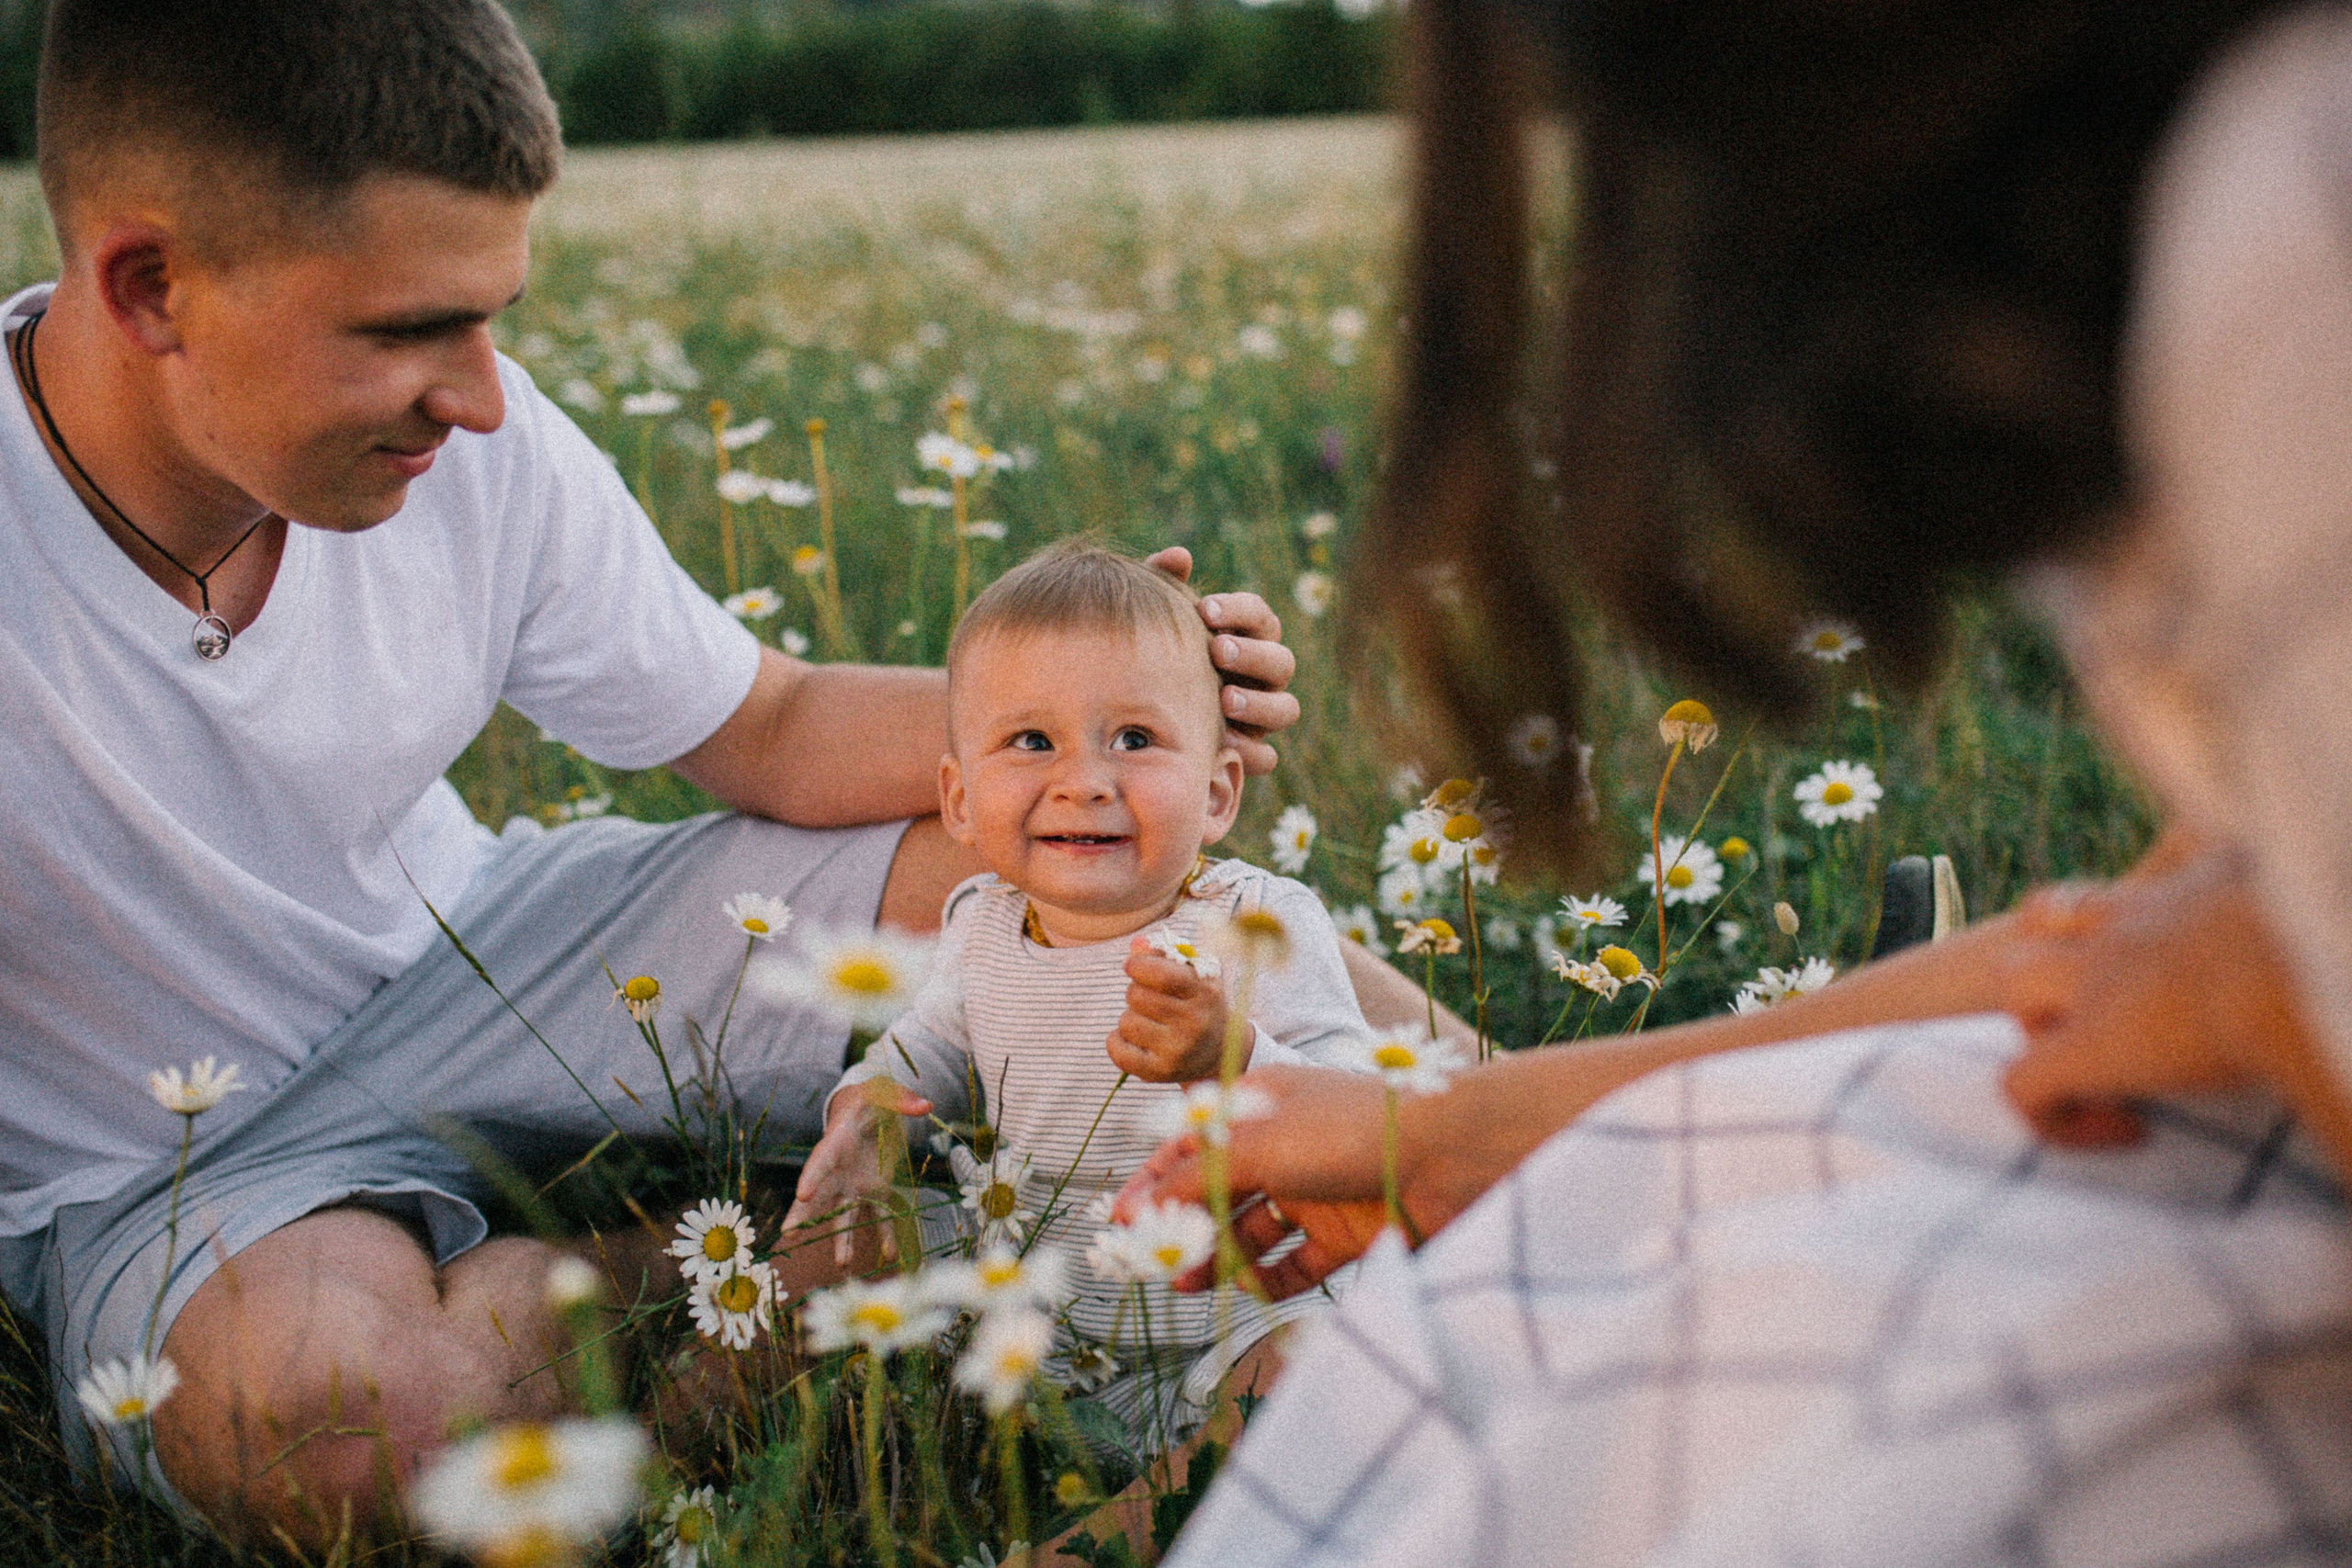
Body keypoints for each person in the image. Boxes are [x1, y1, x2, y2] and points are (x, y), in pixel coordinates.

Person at [0, 0, 1336, 1545]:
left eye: (491, 314)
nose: (482, 396)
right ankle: (762, 1247)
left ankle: (1516, 1155)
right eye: (405, 332)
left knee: (1102, 877)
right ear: (151, 286)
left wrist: (1107, 712)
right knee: (356, 1444)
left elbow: (765, 724)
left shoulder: (476, 450)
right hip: (162, 1157)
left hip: (490, 938)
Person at [1121, 0, 2352, 1562]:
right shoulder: (2167, 215)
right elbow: (2161, 931)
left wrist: (2248, 990)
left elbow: (2228, 952)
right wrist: (1447, 1129)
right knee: (1642, 1215)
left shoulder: (2299, 222)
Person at [783, 543, 1371, 1508]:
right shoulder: (979, 921)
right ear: (959, 799)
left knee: (1316, 1368)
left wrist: (1231, 1058)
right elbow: (926, 1049)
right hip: (1026, 1298)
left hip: (1222, 1316)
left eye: (1135, 740)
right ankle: (711, 1437)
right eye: (1031, 743)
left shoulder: (1252, 925)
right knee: (830, 1241)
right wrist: (873, 1114)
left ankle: (1118, 1532)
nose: (1085, 780)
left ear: (1218, 792)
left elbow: (1359, 1110)